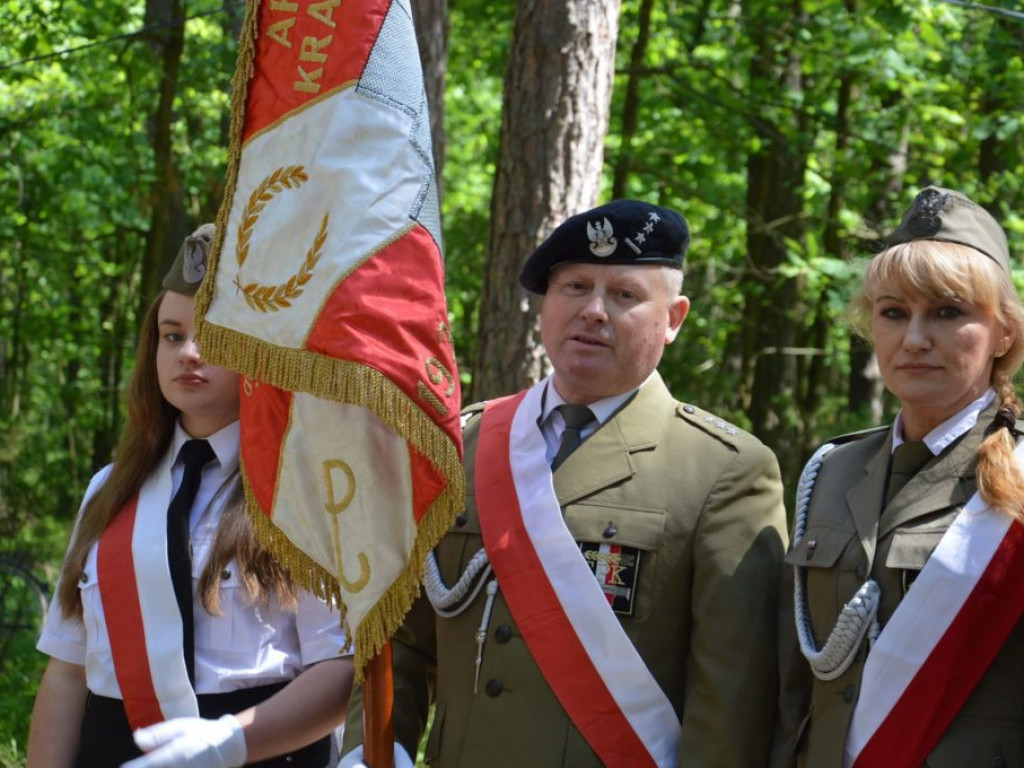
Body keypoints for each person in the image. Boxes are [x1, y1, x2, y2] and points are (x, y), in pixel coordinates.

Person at [341, 199, 788, 767]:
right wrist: (374, 755)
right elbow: (400, 640)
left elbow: (730, 702)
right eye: (574, 287)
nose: (593, 311)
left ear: (673, 319)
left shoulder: (724, 470)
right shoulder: (460, 444)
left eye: (625, 295)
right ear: (547, 303)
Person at [28, 225, 354, 768]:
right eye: (172, 335)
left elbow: (341, 671)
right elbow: (66, 672)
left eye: (215, 336)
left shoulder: (306, 492)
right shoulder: (109, 492)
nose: (188, 353)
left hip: (260, 751)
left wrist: (230, 743)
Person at [774, 186, 1024, 767]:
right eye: (893, 313)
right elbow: (793, 685)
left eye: (947, 312)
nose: (914, 339)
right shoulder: (831, 472)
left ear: (1004, 334)